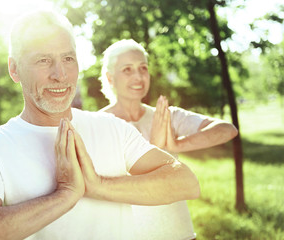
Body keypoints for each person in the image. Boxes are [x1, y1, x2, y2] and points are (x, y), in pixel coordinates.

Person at [0, 11, 200, 240]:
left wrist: (98, 185)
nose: (60, 74)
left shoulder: (112, 127)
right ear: (14, 69)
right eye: (43, 60)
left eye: (67, 58)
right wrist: (65, 195)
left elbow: (186, 182)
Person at [99, 39, 238, 240]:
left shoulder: (165, 116)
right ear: (110, 79)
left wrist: (177, 144)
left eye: (143, 68)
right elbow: (106, 187)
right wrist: (156, 148)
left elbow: (227, 130)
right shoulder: (100, 124)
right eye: (127, 70)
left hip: (181, 234)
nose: (138, 76)